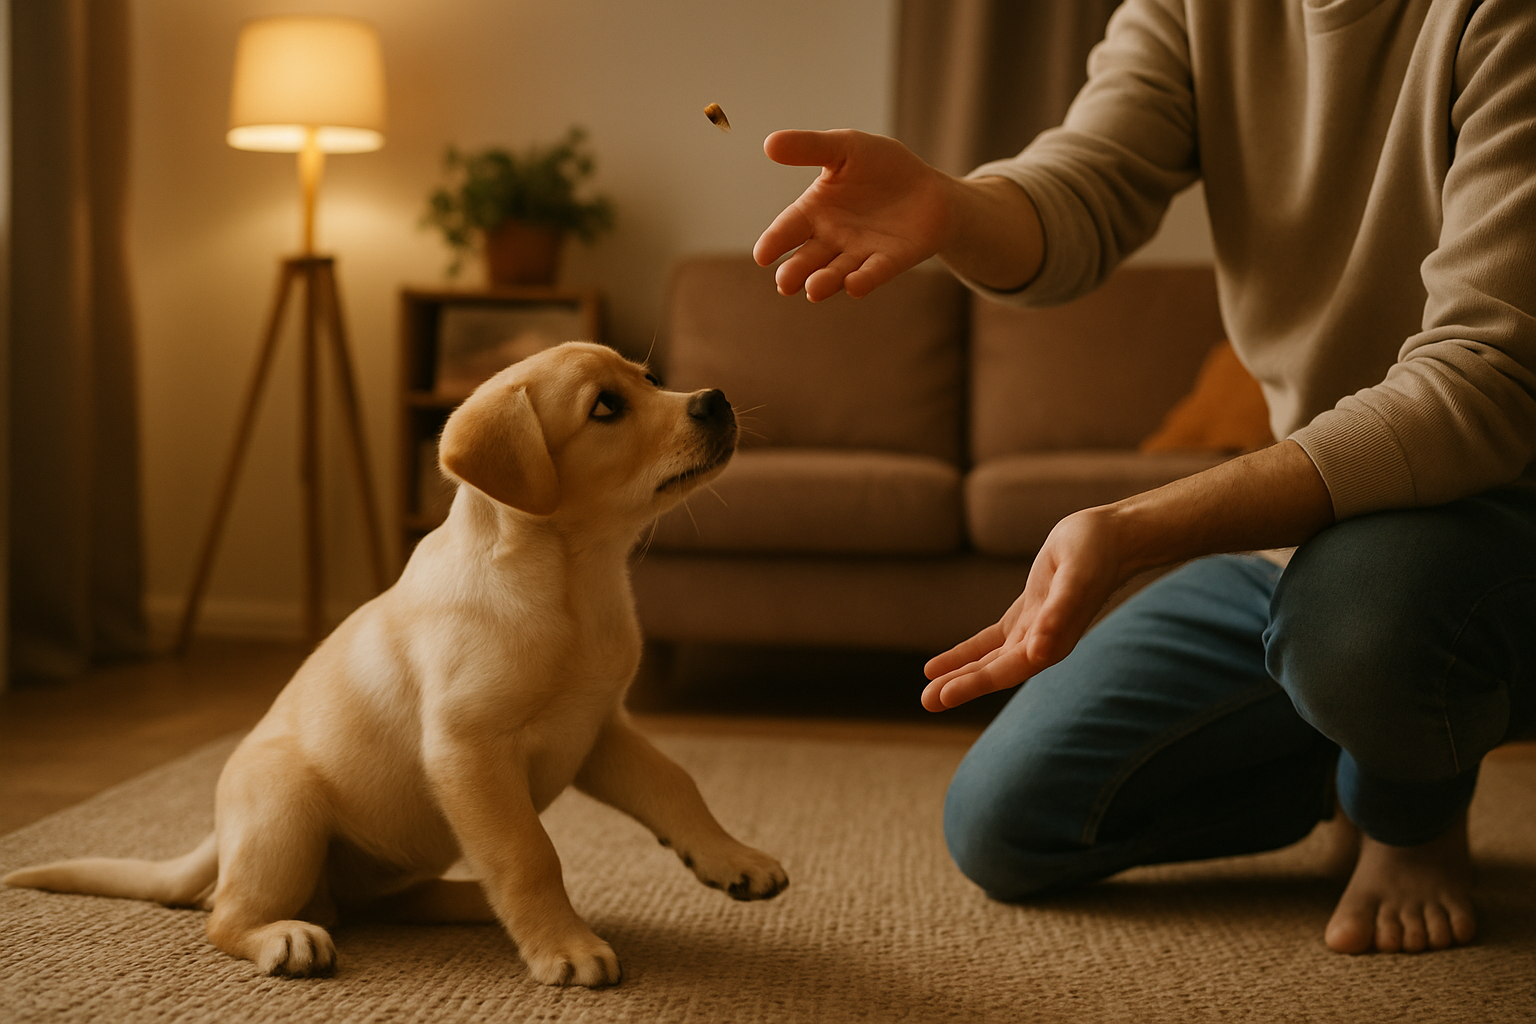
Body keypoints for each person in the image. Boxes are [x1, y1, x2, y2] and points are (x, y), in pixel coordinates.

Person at [753, 0, 1536, 955]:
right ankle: (1369, 733)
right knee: (1003, 824)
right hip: (1308, 533)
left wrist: (1141, 525)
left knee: (1362, 630)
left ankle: (1407, 810)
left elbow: (1483, 387)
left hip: (1498, 516)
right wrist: (954, 208)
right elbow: (1084, 189)